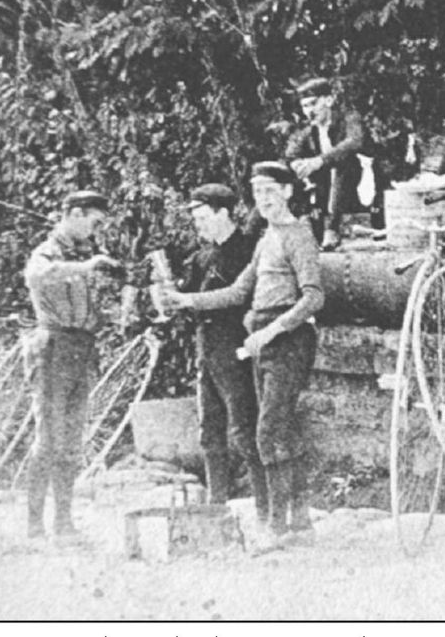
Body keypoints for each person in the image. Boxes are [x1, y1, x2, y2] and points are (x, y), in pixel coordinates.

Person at [158, 162, 323, 555]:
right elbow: (237, 292)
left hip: (288, 339)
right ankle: (297, 522)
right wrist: (185, 300)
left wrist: (272, 329)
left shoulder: (299, 235)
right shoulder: (267, 238)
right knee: (276, 430)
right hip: (262, 341)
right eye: (257, 192)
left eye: (270, 191)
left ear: (287, 192)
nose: (263, 199)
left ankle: (278, 526)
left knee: (268, 431)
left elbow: (314, 296)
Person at [23, 189, 122, 542]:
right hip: (53, 349)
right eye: (94, 222)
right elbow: (35, 277)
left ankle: (63, 521)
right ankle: (35, 523)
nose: (95, 231)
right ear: (75, 213)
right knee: (48, 439)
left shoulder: (85, 255)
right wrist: (84, 267)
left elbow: (92, 307)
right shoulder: (47, 252)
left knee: (71, 442)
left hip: (81, 350)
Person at [174, 183, 260, 510]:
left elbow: (243, 298)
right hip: (206, 349)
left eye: (203, 216)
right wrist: (168, 304)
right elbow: (187, 301)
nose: (198, 224)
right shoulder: (201, 256)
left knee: (244, 428)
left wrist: (190, 300)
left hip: (237, 347)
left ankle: (264, 504)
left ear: (223, 212)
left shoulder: (248, 250)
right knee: (209, 431)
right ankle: (216, 502)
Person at [285, 77, 367, 251]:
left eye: (313, 104)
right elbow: (290, 154)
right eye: (305, 106)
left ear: (329, 100)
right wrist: (297, 164)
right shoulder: (310, 131)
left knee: (343, 163)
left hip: (360, 183)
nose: (309, 111)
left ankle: (332, 228)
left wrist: (319, 161)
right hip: (325, 188)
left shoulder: (349, 118)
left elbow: (354, 142)